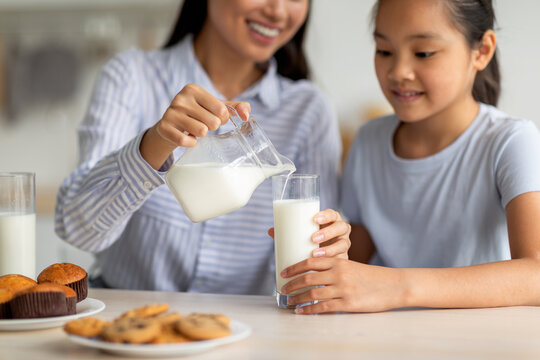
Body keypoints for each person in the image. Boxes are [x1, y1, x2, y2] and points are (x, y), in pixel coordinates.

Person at [55, 0, 348, 295]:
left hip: (247, 332)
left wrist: (329, 249)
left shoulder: (308, 110)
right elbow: (78, 232)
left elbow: (311, 265)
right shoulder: (131, 77)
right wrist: (155, 143)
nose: (278, 10)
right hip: (130, 325)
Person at [279, 0, 540, 314]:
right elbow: (356, 265)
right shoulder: (368, 142)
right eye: (384, 51)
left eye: (423, 53)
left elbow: (536, 273)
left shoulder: (511, 142)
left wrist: (398, 286)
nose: (398, 72)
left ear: (481, 51)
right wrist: (331, 248)